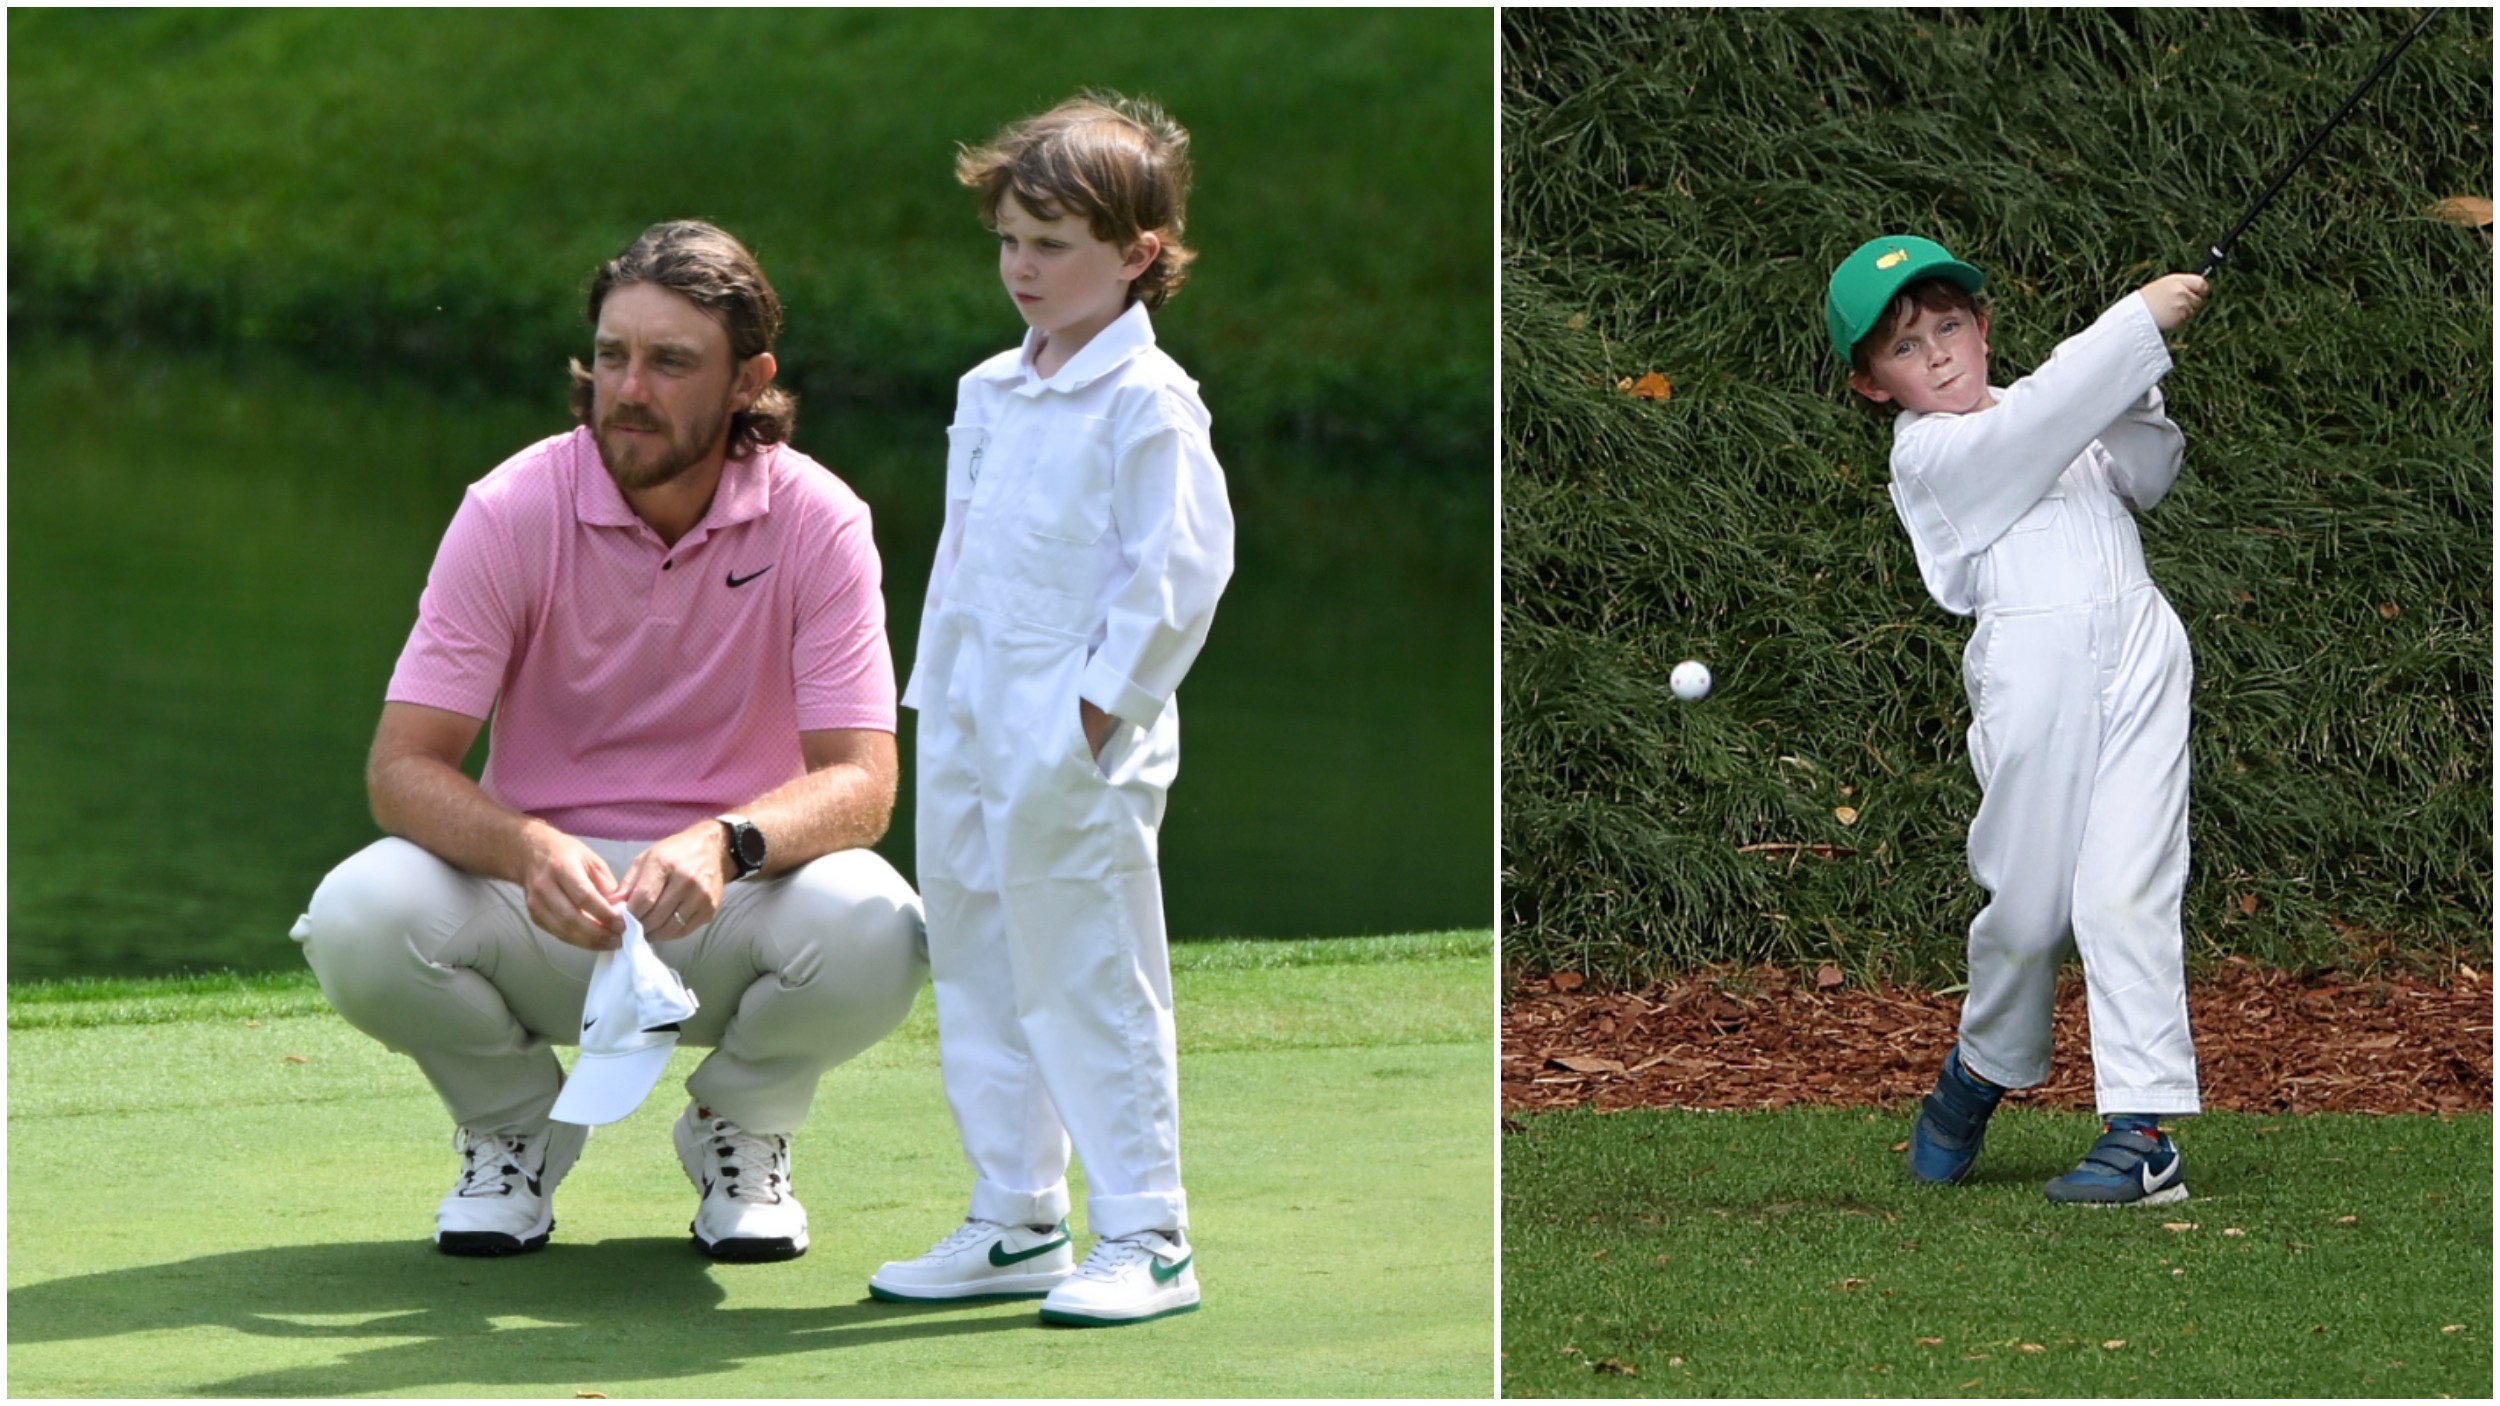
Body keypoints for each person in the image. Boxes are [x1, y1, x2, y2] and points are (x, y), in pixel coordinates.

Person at [291, 220, 926, 1261]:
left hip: (732, 903)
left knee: (880, 926)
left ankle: (739, 1122)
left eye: (670, 361)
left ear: (745, 380)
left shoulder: (820, 519)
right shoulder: (511, 506)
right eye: (613, 355)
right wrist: (526, 846)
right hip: (544, 907)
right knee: (359, 912)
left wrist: (728, 841)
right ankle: (513, 1127)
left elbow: (862, 783)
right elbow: (402, 768)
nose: (627, 389)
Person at [866, 92, 1234, 1326]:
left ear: (1139, 254)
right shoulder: (991, 387)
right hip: (969, 717)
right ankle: (1017, 1216)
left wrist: (1091, 720)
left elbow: (1180, 573)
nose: (1022, 267)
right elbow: (963, 564)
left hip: (1078, 737)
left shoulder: (1149, 401)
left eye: (1052, 243)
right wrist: (937, 702)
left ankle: (1148, 1233)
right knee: (977, 960)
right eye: (1010, 241)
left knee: (1089, 973)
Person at [1826, 234, 2209, 1205]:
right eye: (1907, 348)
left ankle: (2140, 1135)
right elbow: (2032, 424)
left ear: (1983, 325)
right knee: (2029, 914)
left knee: (2127, 890)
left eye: (1949, 325)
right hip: (2031, 676)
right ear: (1874, 386)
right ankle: (1979, 1068)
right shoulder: (1934, 454)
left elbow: (2145, 466)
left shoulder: (2049, 412)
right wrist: (2132, 326)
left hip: (2138, 648)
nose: (1940, 354)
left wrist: (2130, 384)